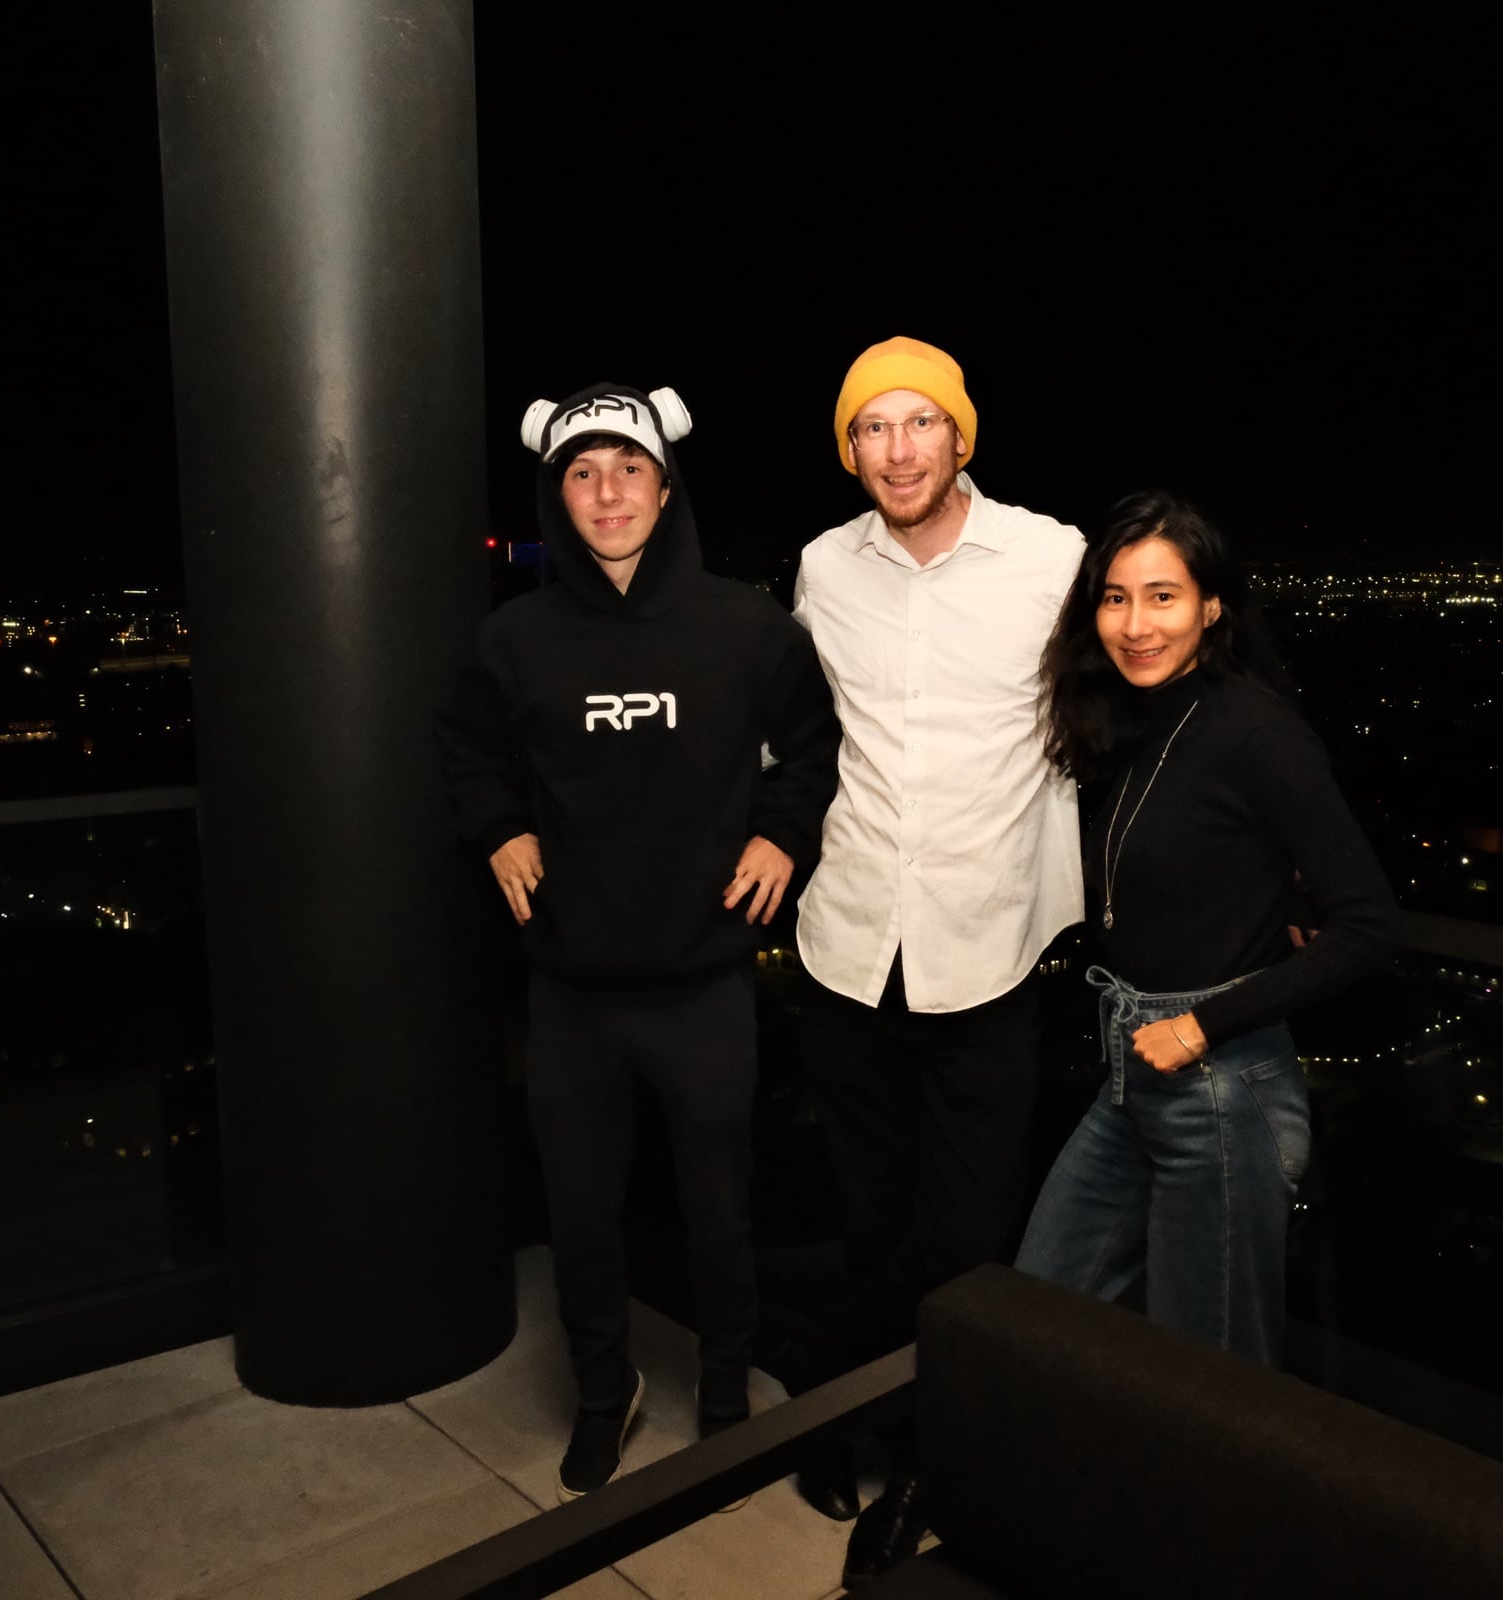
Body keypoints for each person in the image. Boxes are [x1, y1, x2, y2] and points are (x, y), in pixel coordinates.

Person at [435, 382, 840, 1499]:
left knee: (721, 1213)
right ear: (556, 494)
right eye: (581, 473)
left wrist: (781, 836)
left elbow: (813, 750)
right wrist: (501, 826)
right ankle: (606, 1398)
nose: (606, 492)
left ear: (666, 487)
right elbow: (466, 752)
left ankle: (721, 1395)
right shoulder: (512, 638)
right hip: (571, 992)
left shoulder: (746, 626)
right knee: (583, 1219)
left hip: (705, 982)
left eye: (627, 469)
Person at [788, 337, 1084, 1580]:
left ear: (963, 436)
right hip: (848, 944)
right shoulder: (820, 566)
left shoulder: (1052, 557)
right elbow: (794, 733)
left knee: (969, 1234)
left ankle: (944, 1454)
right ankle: (856, 1415)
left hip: (992, 950)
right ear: (850, 449)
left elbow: (1142, 701)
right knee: (864, 1217)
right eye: (872, 429)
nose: (897, 450)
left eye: (921, 425)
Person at [1015, 489, 1398, 1367]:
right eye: (1116, 598)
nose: (1136, 624)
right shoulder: (1127, 718)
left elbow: (1370, 925)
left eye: (1164, 596)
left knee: (1209, 1372)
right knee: (1036, 1304)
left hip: (1222, 1084)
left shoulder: (1255, 727)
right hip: (1130, 1068)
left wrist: (1202, 1025)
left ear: (1212, 605)